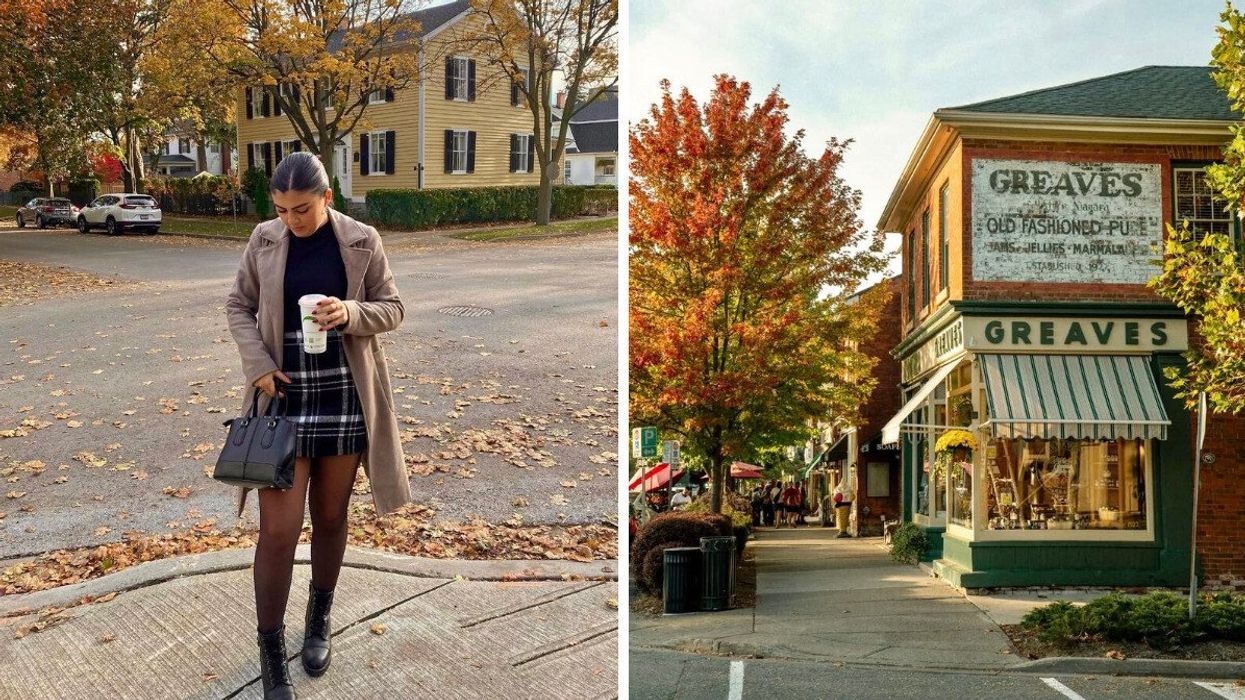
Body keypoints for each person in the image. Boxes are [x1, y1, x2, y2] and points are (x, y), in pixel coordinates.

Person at [226, 152, 409, 700]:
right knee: (277, 533)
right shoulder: (263, 239)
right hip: (281, 397)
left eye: (301, 209)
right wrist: (258, 366)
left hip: (344, 395)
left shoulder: (361, 239)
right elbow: (238, 305)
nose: (291, 221)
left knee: (331, 517)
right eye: (281, 209)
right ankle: (269, 648)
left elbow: (394, 307)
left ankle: (319, 618)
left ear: (326, 198)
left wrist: (349, 314)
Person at [834, 464, 859, 538]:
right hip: (847, 504)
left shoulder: (838, 489)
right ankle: (843, 530)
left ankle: (842, 530)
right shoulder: (848, 489)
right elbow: (853, 496)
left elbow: (834, 496)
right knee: (845, 517)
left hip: (839, 505)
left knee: (841, 518)